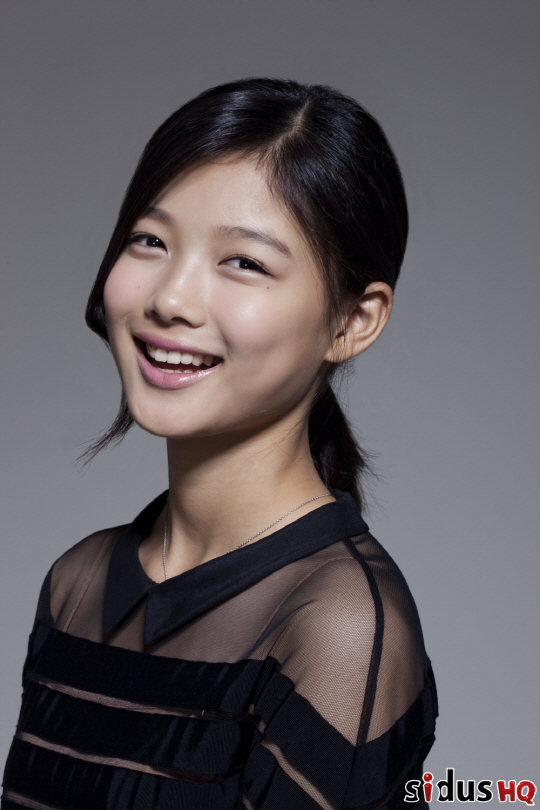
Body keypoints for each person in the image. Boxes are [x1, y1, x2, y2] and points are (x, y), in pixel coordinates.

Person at [2, 78, 437, 809]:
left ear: (353, 321)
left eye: (244, 262)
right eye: (150, 241)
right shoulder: (77, 582)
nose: (170, 299)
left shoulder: (340, 626)